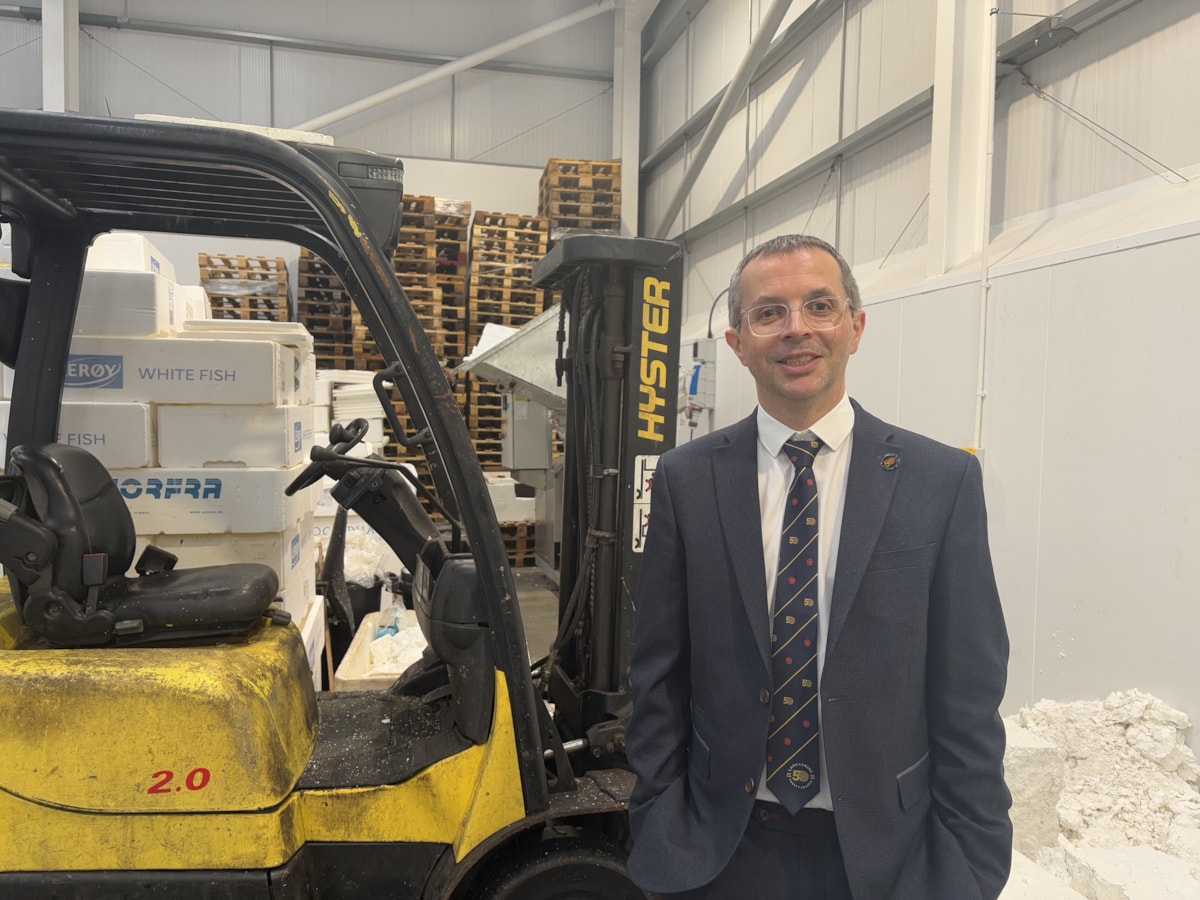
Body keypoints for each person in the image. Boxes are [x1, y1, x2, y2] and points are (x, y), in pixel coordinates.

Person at [625, 234, 1012, 899]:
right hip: (724, 849)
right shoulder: (688, 481)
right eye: (768, 312)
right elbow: (658, 672)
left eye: (819, 306)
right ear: (736, 342)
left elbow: (969, 687)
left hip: (891, 858)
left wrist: (970, 861)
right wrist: (661, 818)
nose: (796, 329)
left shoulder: (938, 481)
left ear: (855, 328)